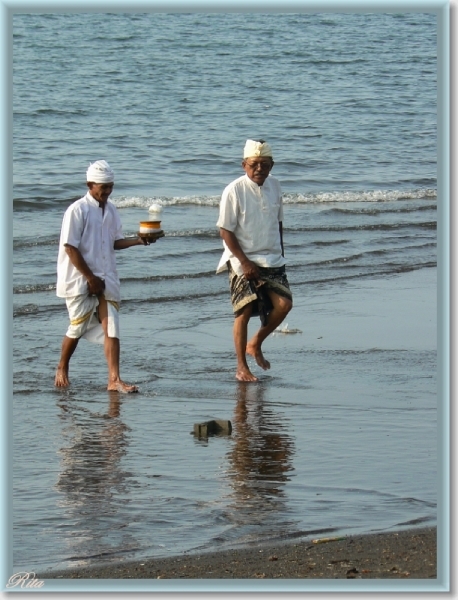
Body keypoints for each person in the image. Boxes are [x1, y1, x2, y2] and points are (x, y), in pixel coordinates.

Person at [54, 160, 154, 393]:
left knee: (113, 327)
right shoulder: (77, 210)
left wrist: (139, 240)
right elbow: (70, 248)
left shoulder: (111, 210)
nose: (107, 192)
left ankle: (114, 379)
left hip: (107, 275)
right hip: (80, 279)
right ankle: (62, 366)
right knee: (77, 327)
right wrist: (90, 278)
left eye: (110, 186)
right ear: (90, 184)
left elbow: (114, 243)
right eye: (103, 187)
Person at [216, 139, 293, 382]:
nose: (259, 168)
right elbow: (225, 231)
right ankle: (241, 367)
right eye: (254, 164)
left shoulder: (276, 186)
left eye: (264, 164)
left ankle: (256, 342)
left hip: (271, 257)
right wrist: (244, 262)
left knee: (284, 304)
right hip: (242, 259)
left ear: (272, 165)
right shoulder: (233, 190)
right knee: (244, 309)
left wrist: (281, 252)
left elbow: (278, 222)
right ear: (244, 165)